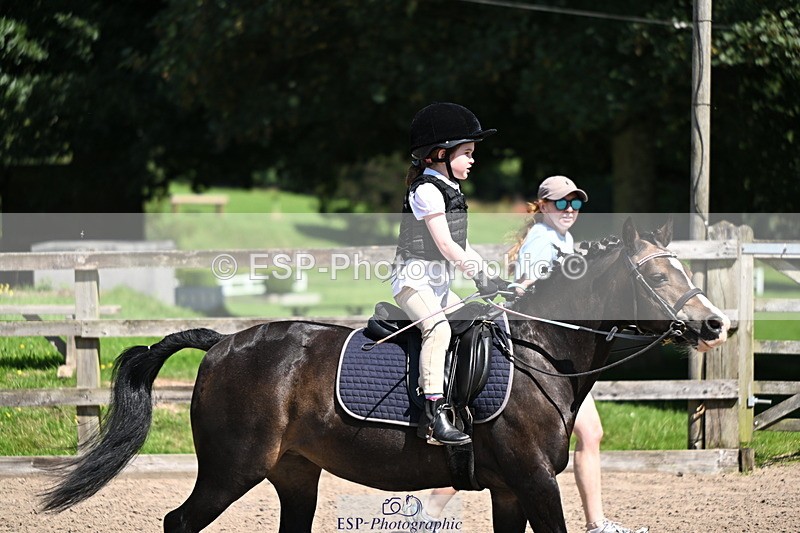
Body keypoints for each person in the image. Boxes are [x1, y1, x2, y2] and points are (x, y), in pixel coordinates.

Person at [417, 176, 648, 533]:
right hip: (538, 357)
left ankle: (595, 521)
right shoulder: (542, 239)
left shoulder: (562, 239)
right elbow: (532, 294)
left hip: (557, 358)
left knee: (584, 435)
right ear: (543, 206)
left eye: (575, 203)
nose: (569, 210)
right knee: (546, 444)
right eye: (561, 203)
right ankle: (429, 512)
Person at [393, 102, 507, 446]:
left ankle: (461, 399)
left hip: (438, 286)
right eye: (467, 153)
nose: (472, 160)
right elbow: (445, 245)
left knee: (478, 320)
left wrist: (492, 277)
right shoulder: (427, 191)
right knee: (438, 329)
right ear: (441, 154)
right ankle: (433, 415)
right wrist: (477, 276)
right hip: (413, 282)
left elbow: (463, 245)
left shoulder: (451, 190)